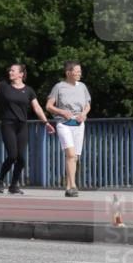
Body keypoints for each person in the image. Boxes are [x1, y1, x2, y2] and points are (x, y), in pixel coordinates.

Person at [0, 60, 54, 195]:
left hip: (22, 126)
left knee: (21, 158)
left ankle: (13, 186)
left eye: (13, 70)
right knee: (12, 155)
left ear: (21, 74)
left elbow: (37, 107)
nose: (10, 72)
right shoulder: (4, 86)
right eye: (10, 70)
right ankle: (0, 180)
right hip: (8, 125)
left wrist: (46, 122)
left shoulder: (29, 90)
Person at [45, 61, 92, 198]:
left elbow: (88, 105)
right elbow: (48, 106)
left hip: (79, 124)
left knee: (75, 157)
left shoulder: (82, 86)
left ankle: (68, 187)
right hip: (64, 124)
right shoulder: (59, 87)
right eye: (77, 71)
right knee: (70, 155)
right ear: (68, 73)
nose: (79, 73)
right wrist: (62, 112)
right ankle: (73, 186)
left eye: (80, 71)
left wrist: (84, 114)